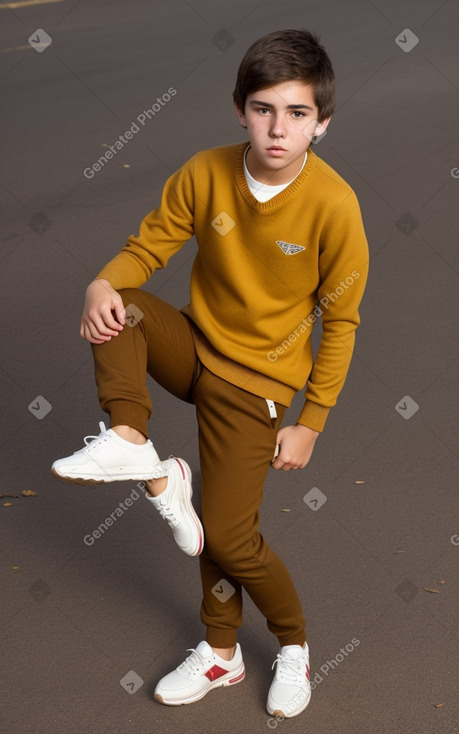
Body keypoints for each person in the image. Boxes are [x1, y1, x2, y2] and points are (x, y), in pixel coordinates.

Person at [51, 28, 369, 718]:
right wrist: (101, 283)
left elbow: (339, 322)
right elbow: (148, 247)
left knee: (227, 536)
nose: (277, 128)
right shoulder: (204, 172)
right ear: (238, 110)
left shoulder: (334, 206)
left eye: (296, 113)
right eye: (262, 109)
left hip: (256, 387)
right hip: (195, 347)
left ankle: (283, 645)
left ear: (321, 124)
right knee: (126, 307)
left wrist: (309, 421)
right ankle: (134, 442)